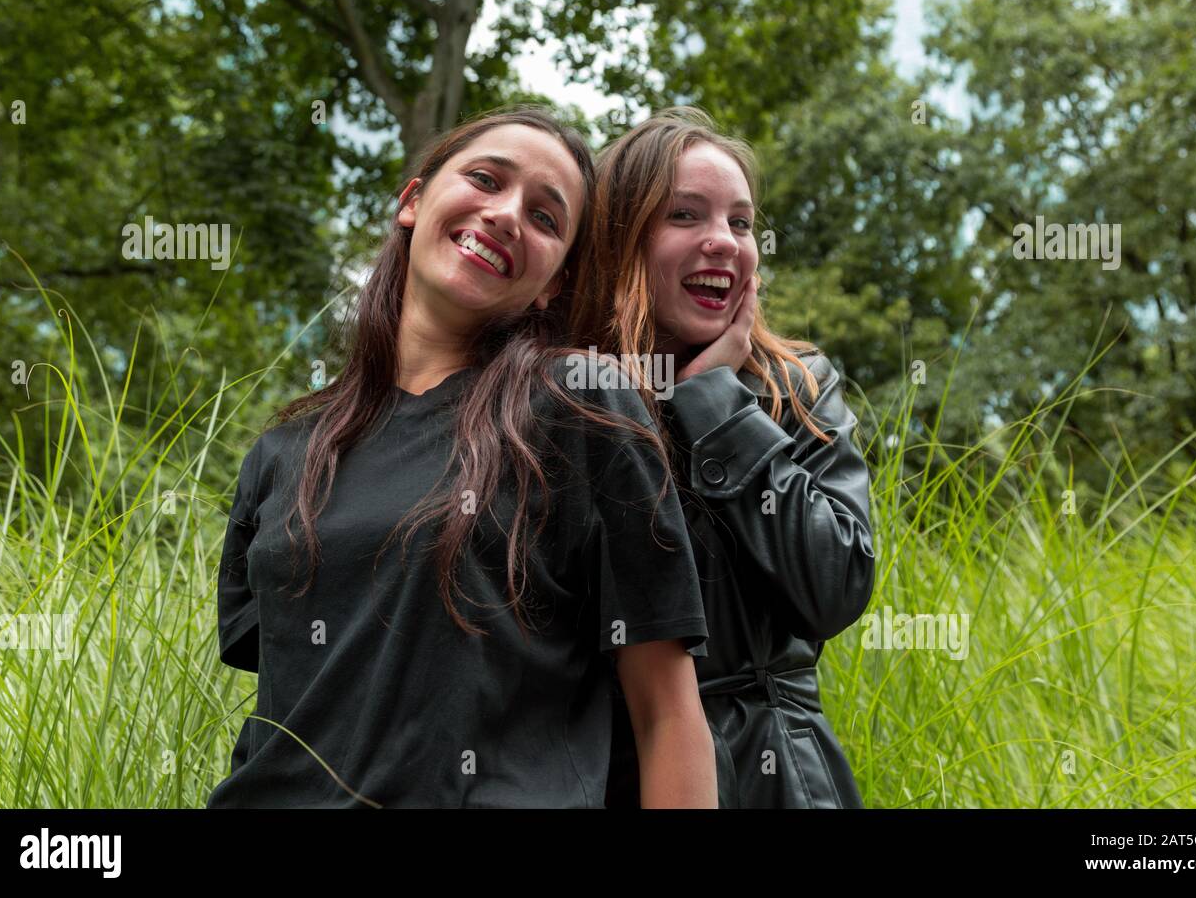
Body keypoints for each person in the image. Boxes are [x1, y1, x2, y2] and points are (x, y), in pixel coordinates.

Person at [207, 107, 715, 808]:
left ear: (554, 284)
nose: (507, 215)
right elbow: (285, 704)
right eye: (485, 179)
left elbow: (665, 712)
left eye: (545, 217)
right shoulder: (285, 449)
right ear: (413, 201)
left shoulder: (579, 409)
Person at [571, 107, 876, 808]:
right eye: (685, 215)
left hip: (779, 776)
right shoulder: (567, 391)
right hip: (604, 772)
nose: (724, 243)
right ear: (620, 239)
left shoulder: (795, 388)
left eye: (740, 223)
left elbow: (834, 588)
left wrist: (715, 405)